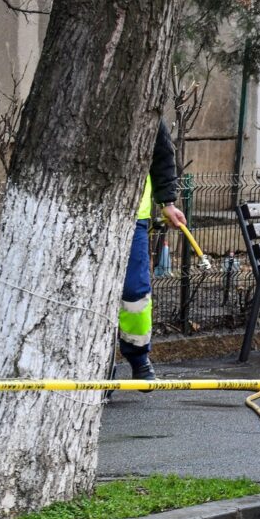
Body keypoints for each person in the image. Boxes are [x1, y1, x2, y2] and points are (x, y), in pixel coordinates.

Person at [118, 121, 186, 382]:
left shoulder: (147, 110)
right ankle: (101, 369)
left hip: (135, 217)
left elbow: (162, 156)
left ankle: (138, 357)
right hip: (89, 215)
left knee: (135, 291)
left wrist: (167, 201)